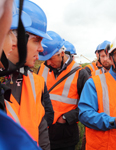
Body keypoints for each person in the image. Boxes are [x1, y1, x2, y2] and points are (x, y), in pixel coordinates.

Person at [1, 0, 49, 150]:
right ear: (16, 37)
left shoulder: (36, 82)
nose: (41, 49)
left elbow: (41, 130)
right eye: (37, 41)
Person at [37, 31, 89, 150]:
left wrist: (65, 118)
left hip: (65, 135)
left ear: (61, 53)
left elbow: (88, 105)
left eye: (50, 58)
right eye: (45, 59)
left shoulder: (80, 73)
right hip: (43, 131)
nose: (48, 63)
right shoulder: (41, 68)